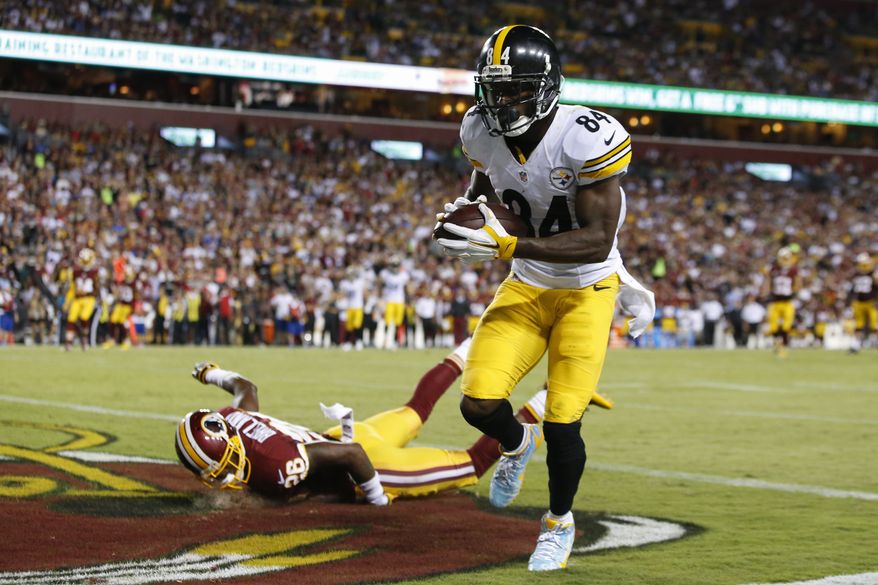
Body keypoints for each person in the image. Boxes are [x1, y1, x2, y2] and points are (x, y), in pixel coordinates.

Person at [434, 25, 654, 571]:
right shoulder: (479, 132)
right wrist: (466, 218)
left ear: (548, 86)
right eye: (495, 89)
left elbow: (596, 240)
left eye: (517, 90)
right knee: (477, 403)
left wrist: (507, 244)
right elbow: (487, 191)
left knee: (562, 423)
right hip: (528, 285)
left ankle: (558, 523)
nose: (502, 102)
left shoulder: (585, 135)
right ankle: (514, 444)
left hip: (587, 289)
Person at [177, 340, 565, 503]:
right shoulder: (232, 417)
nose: (224, 474)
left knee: (474, 463)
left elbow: (352, 455)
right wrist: (210, 372)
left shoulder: (278, 466)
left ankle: (550, 398)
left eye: (222, 464)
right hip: (342, 436)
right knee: (417, 408)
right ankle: (473, 343)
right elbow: (244, 385)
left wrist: (378, 498)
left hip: (364, 461)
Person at [762, 247, 801, 357]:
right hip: (775, 300)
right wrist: (766, 293)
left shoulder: (793, 270)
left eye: (786, 258)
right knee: (773, 326)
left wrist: (795, 292)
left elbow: (798, 283)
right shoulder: (773, 269)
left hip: (787, 301)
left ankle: (783, 347)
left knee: (786, 326)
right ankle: (777, 345)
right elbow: (768, 282)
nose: (784, 260)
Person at [848, 252, 877, 354]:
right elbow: (852, 290)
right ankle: (855, 346)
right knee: (859, 326)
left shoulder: (873, 273)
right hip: (859, 303)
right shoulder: (858, 275)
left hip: (871, 302)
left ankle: (870, 344)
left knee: (875, 325)